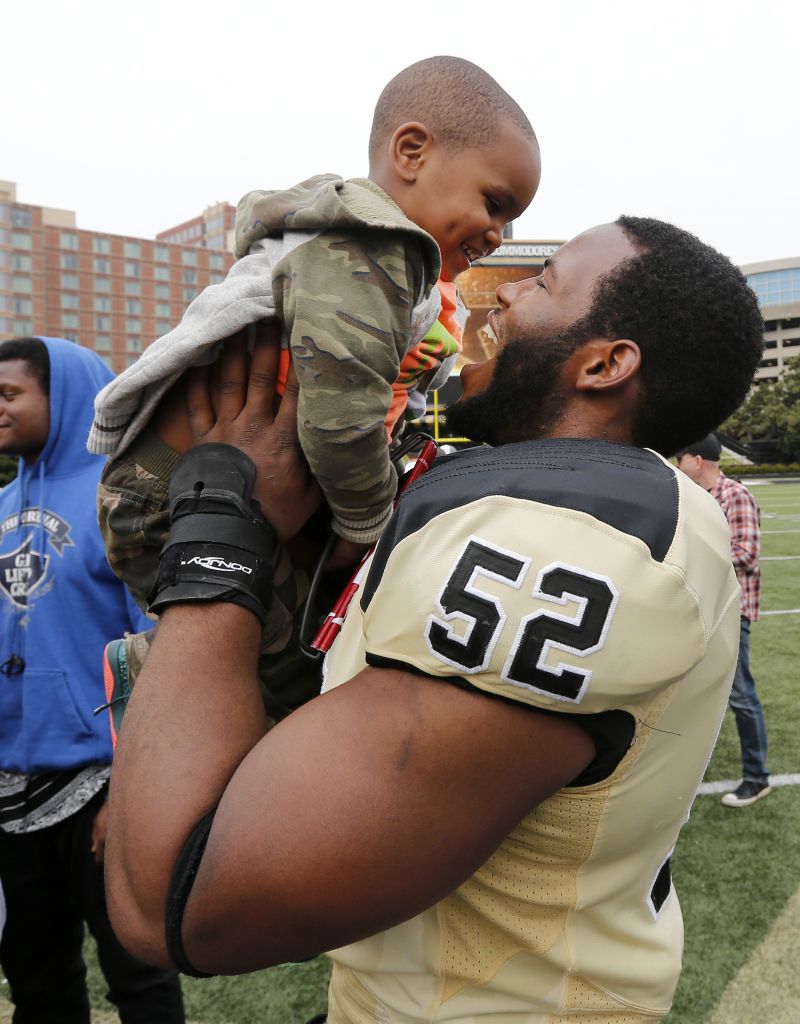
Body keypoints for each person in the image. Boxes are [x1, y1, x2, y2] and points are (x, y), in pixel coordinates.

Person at [104, 217, 764, 1023]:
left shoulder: (567, 539)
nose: (509, 290)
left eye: (545, 281)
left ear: (603, 364)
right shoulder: (566, 501)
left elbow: (176, 903)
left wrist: (220, 514)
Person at [87, 55, 542, 728]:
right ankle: (150, 677)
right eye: (494, 202)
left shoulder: (390, 264)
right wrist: (368, 520)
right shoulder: (370, 251)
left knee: (311, 632)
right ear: (410, 151)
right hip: (173, 497)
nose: (499, 234)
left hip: (219, 484)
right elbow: (338, 414)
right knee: (289, 678)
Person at [0, 337, 185, 1023]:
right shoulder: (0, 506)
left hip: (100, 787)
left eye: (10, 393)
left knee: (139, 979)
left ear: (66, 398)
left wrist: (131, 790)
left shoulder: (124, 497)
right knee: (36, 981)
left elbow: (163, 650)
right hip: (9, 792)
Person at [676, 434, 770, 807]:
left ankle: (757, 777)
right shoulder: (701, 499)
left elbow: (746, 554)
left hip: (732, 611)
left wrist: (693, 552)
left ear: (698, 460)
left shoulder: (736, 495)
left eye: (680, 458)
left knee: (741, 696)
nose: (677, 466)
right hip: (703, 609)